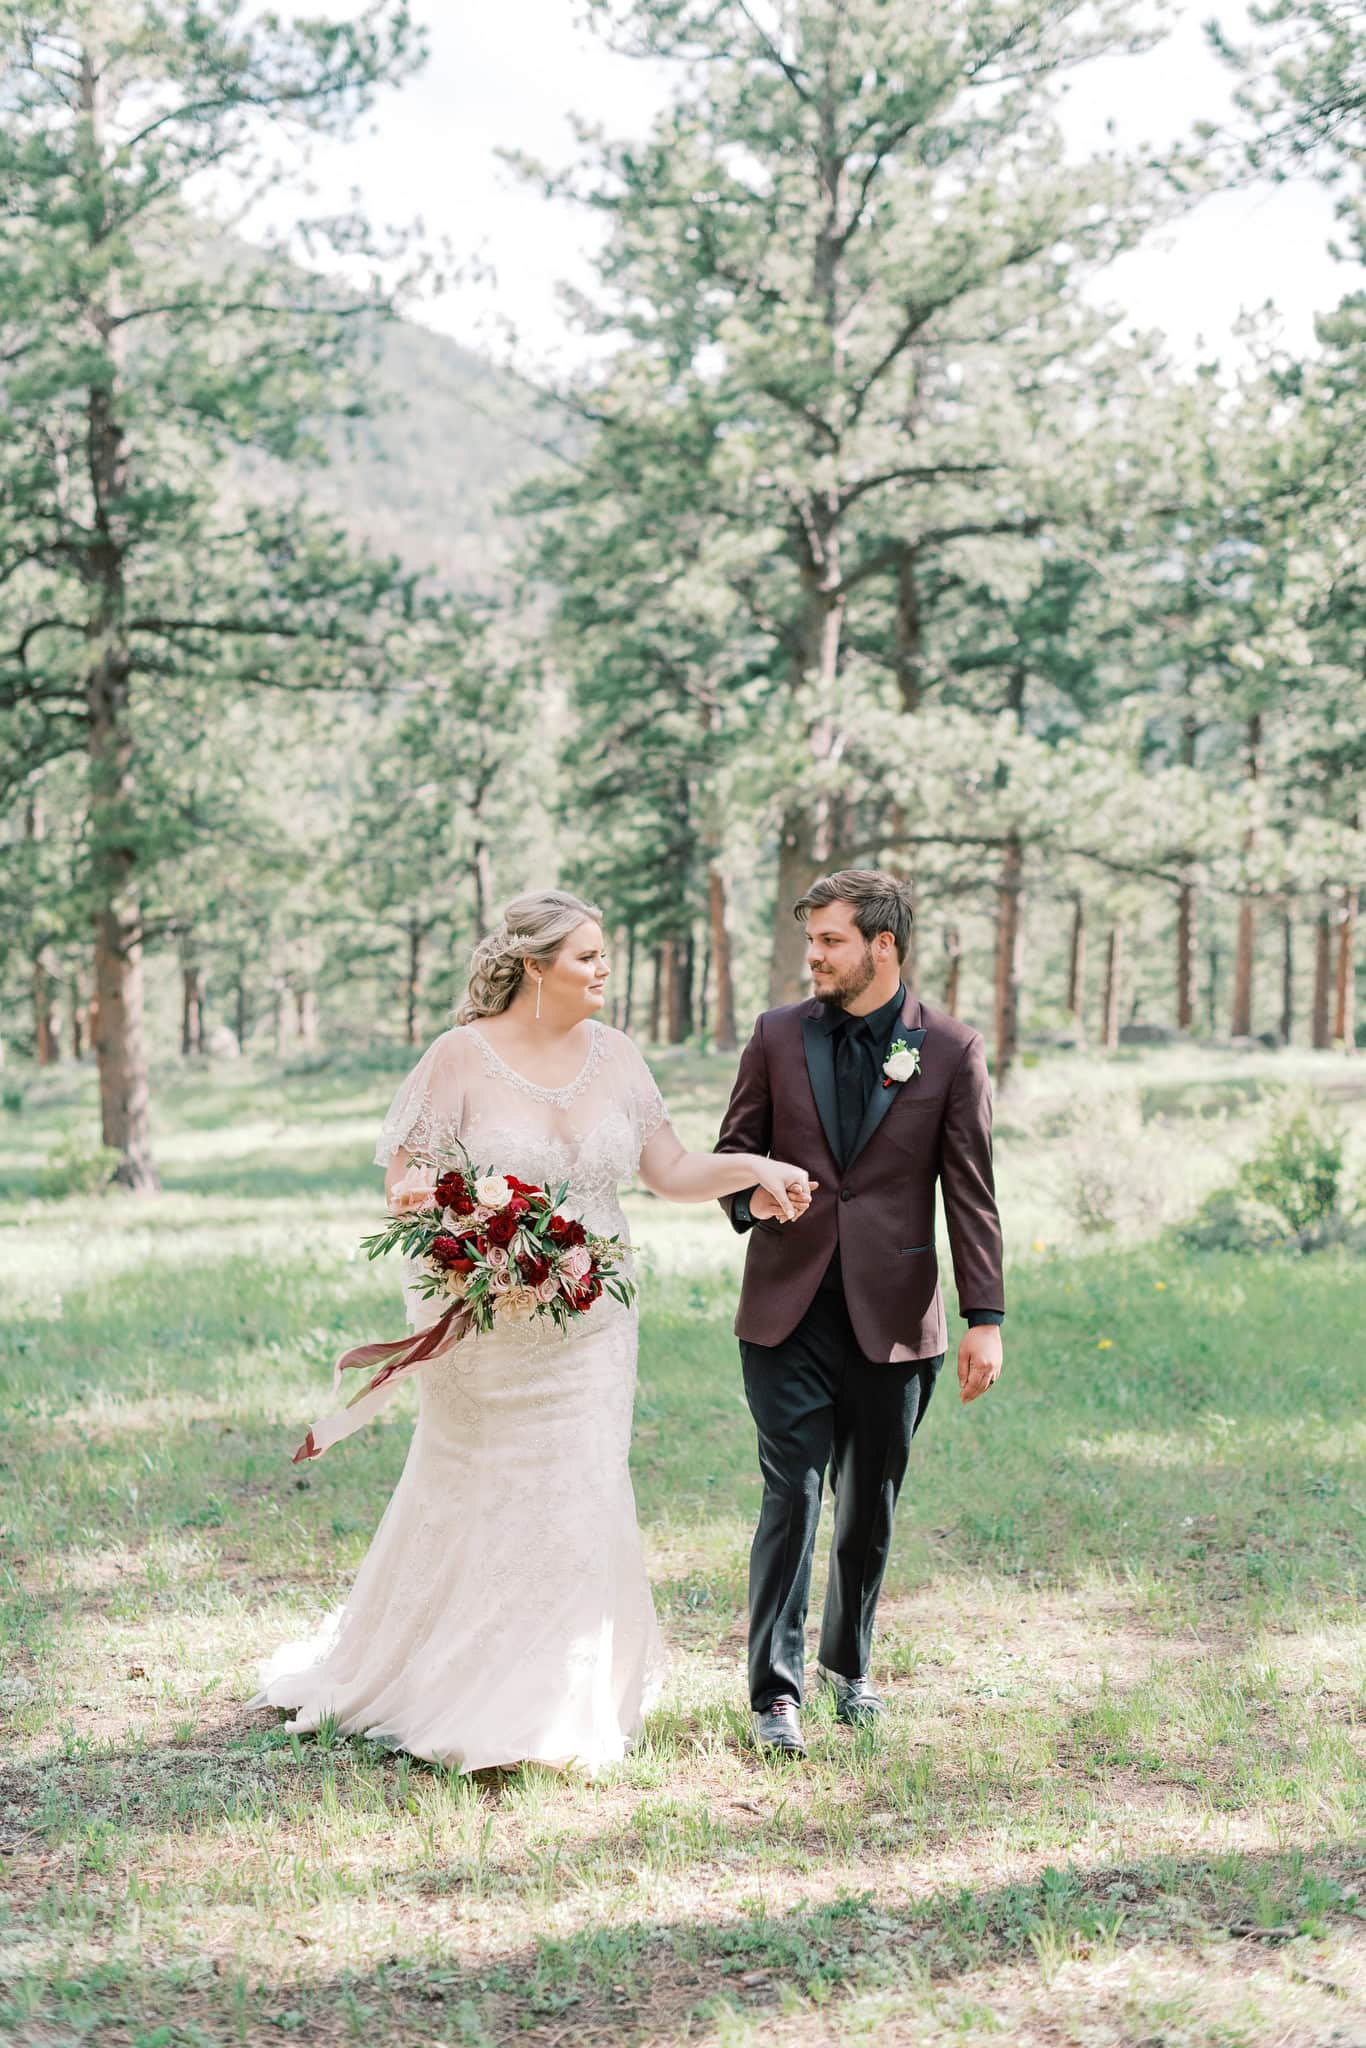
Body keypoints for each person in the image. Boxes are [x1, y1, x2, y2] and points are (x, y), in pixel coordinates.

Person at [248, 889, 813, 1774]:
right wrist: (474, 1227)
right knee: (476, 1487)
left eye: (604, 955)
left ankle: (557, 1696)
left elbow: (668, 1171)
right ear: (537, 967)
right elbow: (406, 1182)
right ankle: (450, 1675)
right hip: (486, 1323)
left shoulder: (618, 1058)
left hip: (595, 1320)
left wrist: (756, 1165)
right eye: (588, 956)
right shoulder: (458, 1059)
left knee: (582, 1482)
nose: (604, 970)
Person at [715, 870, 1005, 1756]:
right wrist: (753, 1201)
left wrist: (984, 1315)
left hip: (895, 1318)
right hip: (786, 1311)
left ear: (883, 946)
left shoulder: (950, 1050)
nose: (814, 956)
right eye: (811, 940)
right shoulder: (774, 1036)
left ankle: (849, 1666)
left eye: (832, 940)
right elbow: (735, 1154)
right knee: (792, 1494)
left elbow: (971, 1191)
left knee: (869, 1504)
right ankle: (775, 1693)